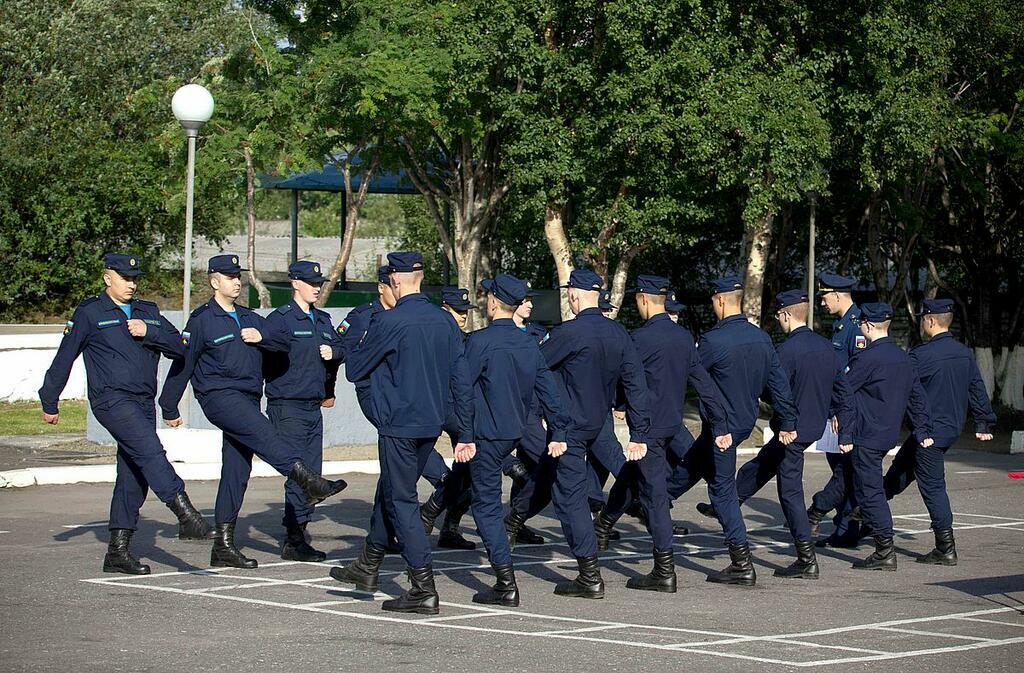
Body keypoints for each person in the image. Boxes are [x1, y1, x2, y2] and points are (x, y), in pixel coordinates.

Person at [159, 254, 348, 569]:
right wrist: (169, 404)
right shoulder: (202, 319)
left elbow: (284, 339)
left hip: (247, 397)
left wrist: (263, 337)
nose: (236, 282)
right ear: (214, 281)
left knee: (237, 470)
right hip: (219, 395)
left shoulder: (249, 317)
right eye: (230, 277)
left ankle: (223, 544)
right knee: (265, 433)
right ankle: (307, 480)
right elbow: (184, 362)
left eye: (238, 276)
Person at [39, 253, 212, 575]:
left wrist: (150, 331)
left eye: (135, 279)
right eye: (125, 278)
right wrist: (50, 399)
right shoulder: (90, 312)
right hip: (111, 399)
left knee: (133, 472)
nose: (131, 284)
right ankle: (185, 514)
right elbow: (65, 357)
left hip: (142, 401)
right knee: (150, 452)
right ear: (108, 278)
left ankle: (118, 552)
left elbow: (181, 347)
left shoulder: (148, 312)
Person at [330, 252, 474, 615]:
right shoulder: (445, 322)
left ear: (394, 279)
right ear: (420, 278)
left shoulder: (390, 321)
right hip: (432, 423)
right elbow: (461, 380)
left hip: (399, 424)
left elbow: (355, 368)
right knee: (391, 490)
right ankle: (368, 565)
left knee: (402, 501)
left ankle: (422, 587)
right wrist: (467, 432)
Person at [506, 269, 650, 599]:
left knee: (569, 498)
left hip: (569, 426)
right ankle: (514, 520)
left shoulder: (569, 333)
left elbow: (536, 369)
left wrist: (540, 411)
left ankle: (588, 574)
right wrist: (638, 431)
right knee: (547, 473)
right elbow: (635, 384)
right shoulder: (618, 333)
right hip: (597, 421)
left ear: (573, 295)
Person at [695, 289, 853, 579]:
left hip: (791, 430)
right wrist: (845, 427)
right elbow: (843, 392)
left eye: (778, 316)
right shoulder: (827, 347)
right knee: (763, 463)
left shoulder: (787, 350)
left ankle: (806, 557)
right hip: (812, 426)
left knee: (790, 492)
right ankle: (732, 501)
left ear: (784, 315)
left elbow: (775, 388)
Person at [595, 275, 730, 592]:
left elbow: (621, 378)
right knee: (632, 475)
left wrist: (618, 403)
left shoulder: (638, 339)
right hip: (671, 424)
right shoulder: (683, 337)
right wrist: (721, 423)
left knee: (654, 498)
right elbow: (704, 384)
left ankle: (663, 570)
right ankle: (603, 524)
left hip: (648, 430)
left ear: (642, 300)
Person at [665, 276, 798, 586]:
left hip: (722, 427)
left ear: (721, 301)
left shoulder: (713, 341)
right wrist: (788, 420)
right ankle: (644, 504)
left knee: (722, 490)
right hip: (741, 422)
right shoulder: (761, 338)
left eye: (712, 300)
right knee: (689, 467)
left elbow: (692, 377)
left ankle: (741, 562)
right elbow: (777, 383)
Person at [861, 298, 995, 565]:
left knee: (932, 487)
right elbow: (977, 388)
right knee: (901, 468)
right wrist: (984, 422)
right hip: (949, 428)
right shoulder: (963, 352)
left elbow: (904, 390)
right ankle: (866, 513)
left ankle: (945, 547)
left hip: (929, 433)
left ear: (931, 321)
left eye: (923, 318)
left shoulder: (921, 355)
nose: (922, 321)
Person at [464, 274, 571, 606]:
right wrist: (559, 431)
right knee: (461, 486)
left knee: (485, 507)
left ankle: (504, 581)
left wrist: (462, 435)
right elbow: (549, 392)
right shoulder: (528, 342)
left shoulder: (479, 342)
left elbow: (461, 390)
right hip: (512, 434)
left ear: (494, 303)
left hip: (485, 435)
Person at [263, 260, 346, 562]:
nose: (317, 287)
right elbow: (263, 354)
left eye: (319, 283)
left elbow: (342, 349)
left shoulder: (323, 320)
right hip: (287, 406)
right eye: (311, 282)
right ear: (295, 283)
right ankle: (294, 538)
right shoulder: (280, 320)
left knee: (313, 475)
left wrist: (334, 353)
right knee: (299, 474)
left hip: (312, 406)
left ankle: (299, 532)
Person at [841, 303, 933, 571]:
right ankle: (859, 525)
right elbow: (917, 397)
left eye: (861, 324)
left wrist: (844, 430)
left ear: (868, 326)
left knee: (870, 492)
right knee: (865, 488)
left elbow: (844, 392)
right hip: (887, 434)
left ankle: (884, 550)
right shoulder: (903, 357)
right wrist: (923, 429)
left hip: (866, 434)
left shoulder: (867, 358)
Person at [807, 272, 864, 547]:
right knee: (843, 473)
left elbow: (856, 375)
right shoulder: (841, 325)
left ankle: (827, 515)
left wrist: (843, 412)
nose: (822, 302)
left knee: (846, 472)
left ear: (839, 295)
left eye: (824, 296)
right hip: (836, 410)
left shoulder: (856, 326)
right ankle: (845, 532)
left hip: (847, 412)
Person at [418, 287, 478, 551]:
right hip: (434, 408)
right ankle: (427, 514)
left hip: (461, 410)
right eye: (458, 311)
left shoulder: (467, 340)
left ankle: (446, 523)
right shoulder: (430, 340)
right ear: (445, 310)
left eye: (466, 312)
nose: (463, 316)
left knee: (470, 473)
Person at [501, 284, 551, 546]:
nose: (530, 304)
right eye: (525, 300)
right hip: (511, 410)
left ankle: (516, 521)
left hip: (532, 411)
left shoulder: (539, 334)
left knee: (533, 470)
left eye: (532, 299)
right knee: (552, 466)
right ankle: (514, 520)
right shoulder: (499, 333)